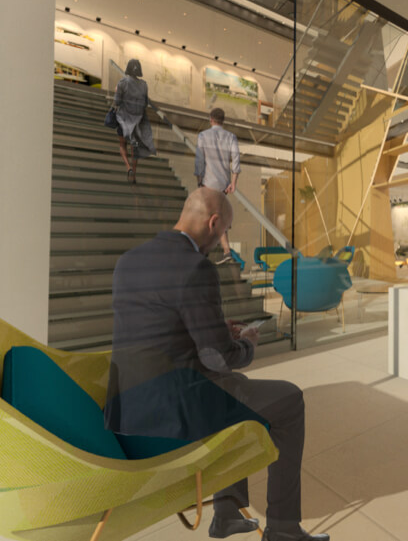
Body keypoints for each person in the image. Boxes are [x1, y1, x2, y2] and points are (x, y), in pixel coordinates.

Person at [104, 188, 328, 541]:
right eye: (225, 230)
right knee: (288, 400)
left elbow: (159, 329)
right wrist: (246, 342)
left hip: (126, 410)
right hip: (171, 413)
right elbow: (218, 358)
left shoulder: (129, 260)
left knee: (232, 392)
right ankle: (284, 528)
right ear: (214, 223)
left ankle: (226, 513)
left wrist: (214, 330)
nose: (223, 238)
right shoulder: (196, 267)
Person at [195, 108, 240, 263]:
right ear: (223, 120)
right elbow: (235, 159)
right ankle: (225, 251)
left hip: (208, 182)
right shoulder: (231, 137)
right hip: (223, 185)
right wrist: (233, 182)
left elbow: (199, 160)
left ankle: (205, 249)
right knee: (217, 216)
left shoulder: (203, 135)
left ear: (211, 119)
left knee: (208, 216)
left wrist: (199, 181)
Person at [113, 58, 156, 183]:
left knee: (122, 144)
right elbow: (145, 104)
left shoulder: (122, 83)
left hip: (124, 119)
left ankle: (128, 167)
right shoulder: (144, 85)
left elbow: (117, 102)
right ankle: (134, 173)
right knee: (134, 147)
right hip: (138, 121)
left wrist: (117, 92)